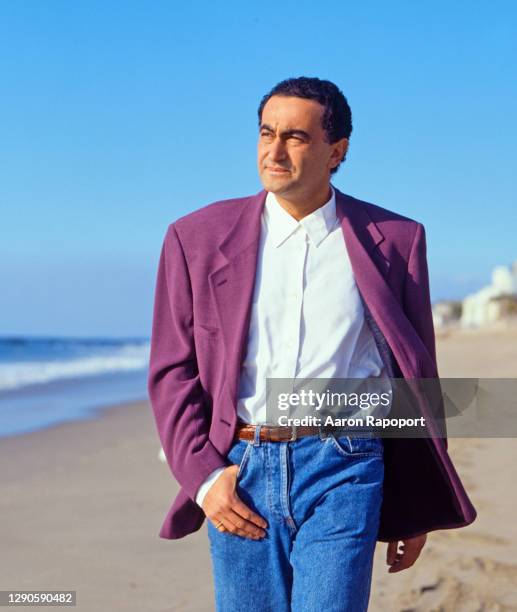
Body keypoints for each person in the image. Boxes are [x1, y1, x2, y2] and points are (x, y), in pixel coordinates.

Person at [147, 76, 476, 611]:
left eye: (295, 137)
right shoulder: (195, 238)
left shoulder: (396, 239)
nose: (274, 151)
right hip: (240, 470)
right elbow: (173, 371)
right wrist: (205, 479)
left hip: (345, 464)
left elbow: (414, 378)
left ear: (336, 151)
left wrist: (416, 504)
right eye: (266, 133)